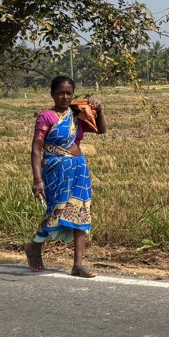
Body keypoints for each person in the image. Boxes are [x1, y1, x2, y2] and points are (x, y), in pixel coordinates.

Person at [25, 75, 107, 277]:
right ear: (52, 94)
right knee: (57, 211)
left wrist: (99, 109)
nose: (64, 97)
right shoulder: (46, 117)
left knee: (80, 212)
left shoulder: (78, 113)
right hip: (55, 170)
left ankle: (78, 264)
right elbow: (36, 149)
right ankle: (35, 245)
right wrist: (37, 181)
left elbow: (102, 130)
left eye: (68, 93)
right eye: (60, 93)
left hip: (79, 169)